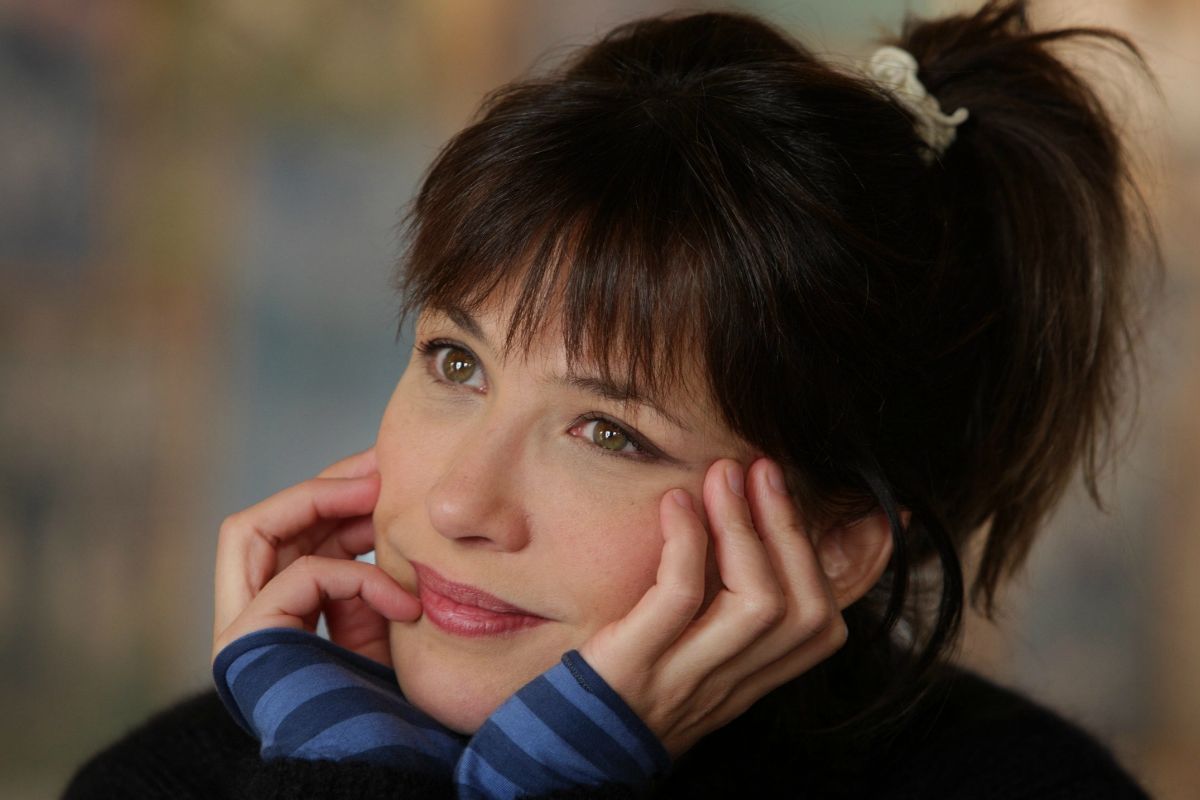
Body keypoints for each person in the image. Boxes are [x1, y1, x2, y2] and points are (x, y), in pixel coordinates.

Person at [65, 0, 1163, 797]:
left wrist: (550, 782)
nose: (458, 504)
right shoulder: (176, 777)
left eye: (609, 432)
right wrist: (348, 768)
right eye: (456, 363)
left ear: (832, 547)